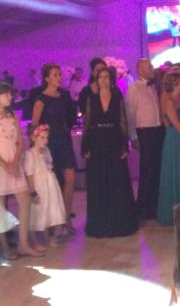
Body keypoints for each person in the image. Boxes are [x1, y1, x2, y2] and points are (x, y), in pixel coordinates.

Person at [0, 80, 41, 257]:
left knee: (25, 200)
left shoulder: (13, 115)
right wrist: (5, 164)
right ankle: (4, 246)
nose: (10, 97)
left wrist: (15, 161)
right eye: (6, 94)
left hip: (14, 162)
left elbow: (20, 142)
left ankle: (23, 243)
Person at [81, 67, 138, 238]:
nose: (104, 80)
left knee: (117, 182)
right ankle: (100, 224)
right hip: (97, 143)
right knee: (98, 184)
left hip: (114, 142)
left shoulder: (117, 96)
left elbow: (122, 121)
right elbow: (87, 122)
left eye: (106, 77)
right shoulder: (92, 98)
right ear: (97, 80)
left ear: (111, 79)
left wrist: (125, 145)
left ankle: (119, 223)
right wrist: (85, 146)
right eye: (101, 77)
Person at [32, 63, 78, 229]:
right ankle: (54, 220)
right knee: (53, 182)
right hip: (49, 143)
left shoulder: (64, 96)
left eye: (59, 74)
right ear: (46, 79)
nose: (59, 77)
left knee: (70, 177)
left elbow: (71, 116)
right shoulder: (41, 99)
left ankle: (66, 216)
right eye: (55, 75)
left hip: (64, 139)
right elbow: (35, 125)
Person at [126, 59, 164, 221]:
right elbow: (130, 114)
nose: (152, 69)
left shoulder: (153, 86)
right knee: (147, 170)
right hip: (144, 132)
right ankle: (143, 208)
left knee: (156, 169)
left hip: (157, 130)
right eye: (149, 66)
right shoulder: (133, 89)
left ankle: (154, 206)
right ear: (140, 69)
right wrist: (133, 136)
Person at [25, 125, 68, 246]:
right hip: (40, 186)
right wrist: (33, 192)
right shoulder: (30, 154)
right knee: (41, 210)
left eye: (47, 138)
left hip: (50, 185)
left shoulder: (46, 151)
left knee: (53, 209)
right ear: (34, 138)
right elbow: (29, 175)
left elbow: (49, 165)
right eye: (42, 138)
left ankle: (54, 236)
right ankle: (42, 238)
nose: (46, 141)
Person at [157, 70, 180, 226]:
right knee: (175, 172)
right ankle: (175, 213)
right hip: (175, 139)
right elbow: (176, 124)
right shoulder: (169, 101)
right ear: (176, 84)